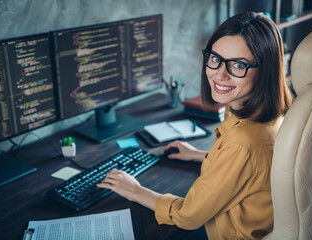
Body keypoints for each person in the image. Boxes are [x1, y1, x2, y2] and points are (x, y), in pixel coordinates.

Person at [97, 11, 293, 239]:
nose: (219, 75)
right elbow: (250, 168)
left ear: (265, 70)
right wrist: (198, 154)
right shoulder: (269, 111)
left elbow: (187, 216)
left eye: (239, 65)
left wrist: (134, 190)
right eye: (215, 59)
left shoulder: (243, 143)